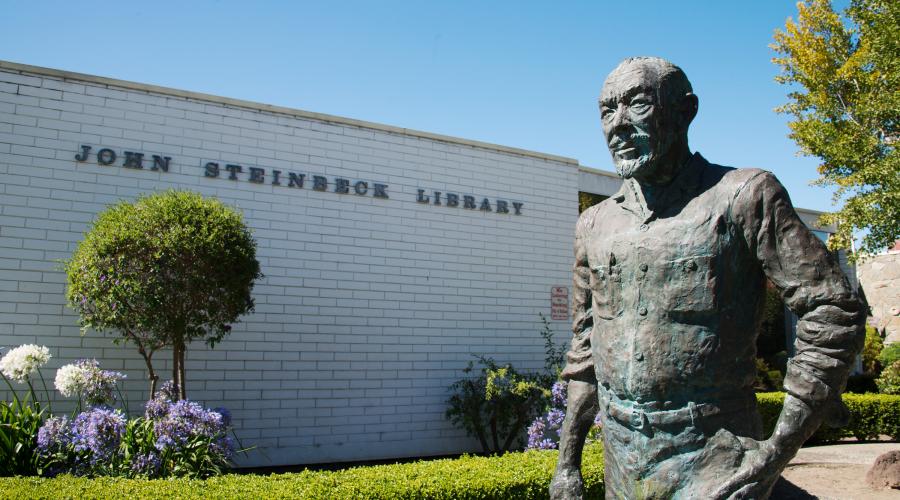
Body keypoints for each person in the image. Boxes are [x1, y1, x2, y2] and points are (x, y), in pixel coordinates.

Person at [549, 57, 865, 499]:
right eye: (606, 111)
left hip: (718, 461)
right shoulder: (594, 224)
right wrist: (567, 464)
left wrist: (776, 451)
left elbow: (833, 308)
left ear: (685, 112)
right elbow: (586, 349)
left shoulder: (743, 195)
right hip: (621, 464)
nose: (617, 125)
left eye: (637, 104)